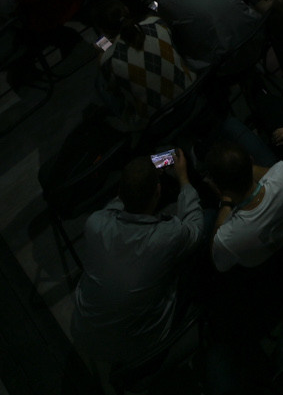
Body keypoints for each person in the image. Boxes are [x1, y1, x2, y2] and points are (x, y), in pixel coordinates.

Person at [70, 154, 205, 368]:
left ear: (119, 193)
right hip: (138, 351)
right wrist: (184, 180)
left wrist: (140, 178)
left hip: (83, 334)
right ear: (158, 191)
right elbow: (196, 228)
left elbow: (115, 207)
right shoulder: (166, 235)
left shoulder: (94, 223)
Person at [206, 136, 283, 273]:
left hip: (270, 271)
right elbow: (273, 172)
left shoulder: (227, 239)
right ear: (251, 161)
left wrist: (225, 203)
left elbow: (217, 260)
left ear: (218, 189)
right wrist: (243, 166)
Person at [93, 0, 197, 126]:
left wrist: (104, 52)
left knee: (100, 83)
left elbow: (116, 92)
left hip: (160, 122)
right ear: (126, 10)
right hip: (192, 94)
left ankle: (128, 125)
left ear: (104, 31)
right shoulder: (156, 24)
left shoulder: (107, 60)